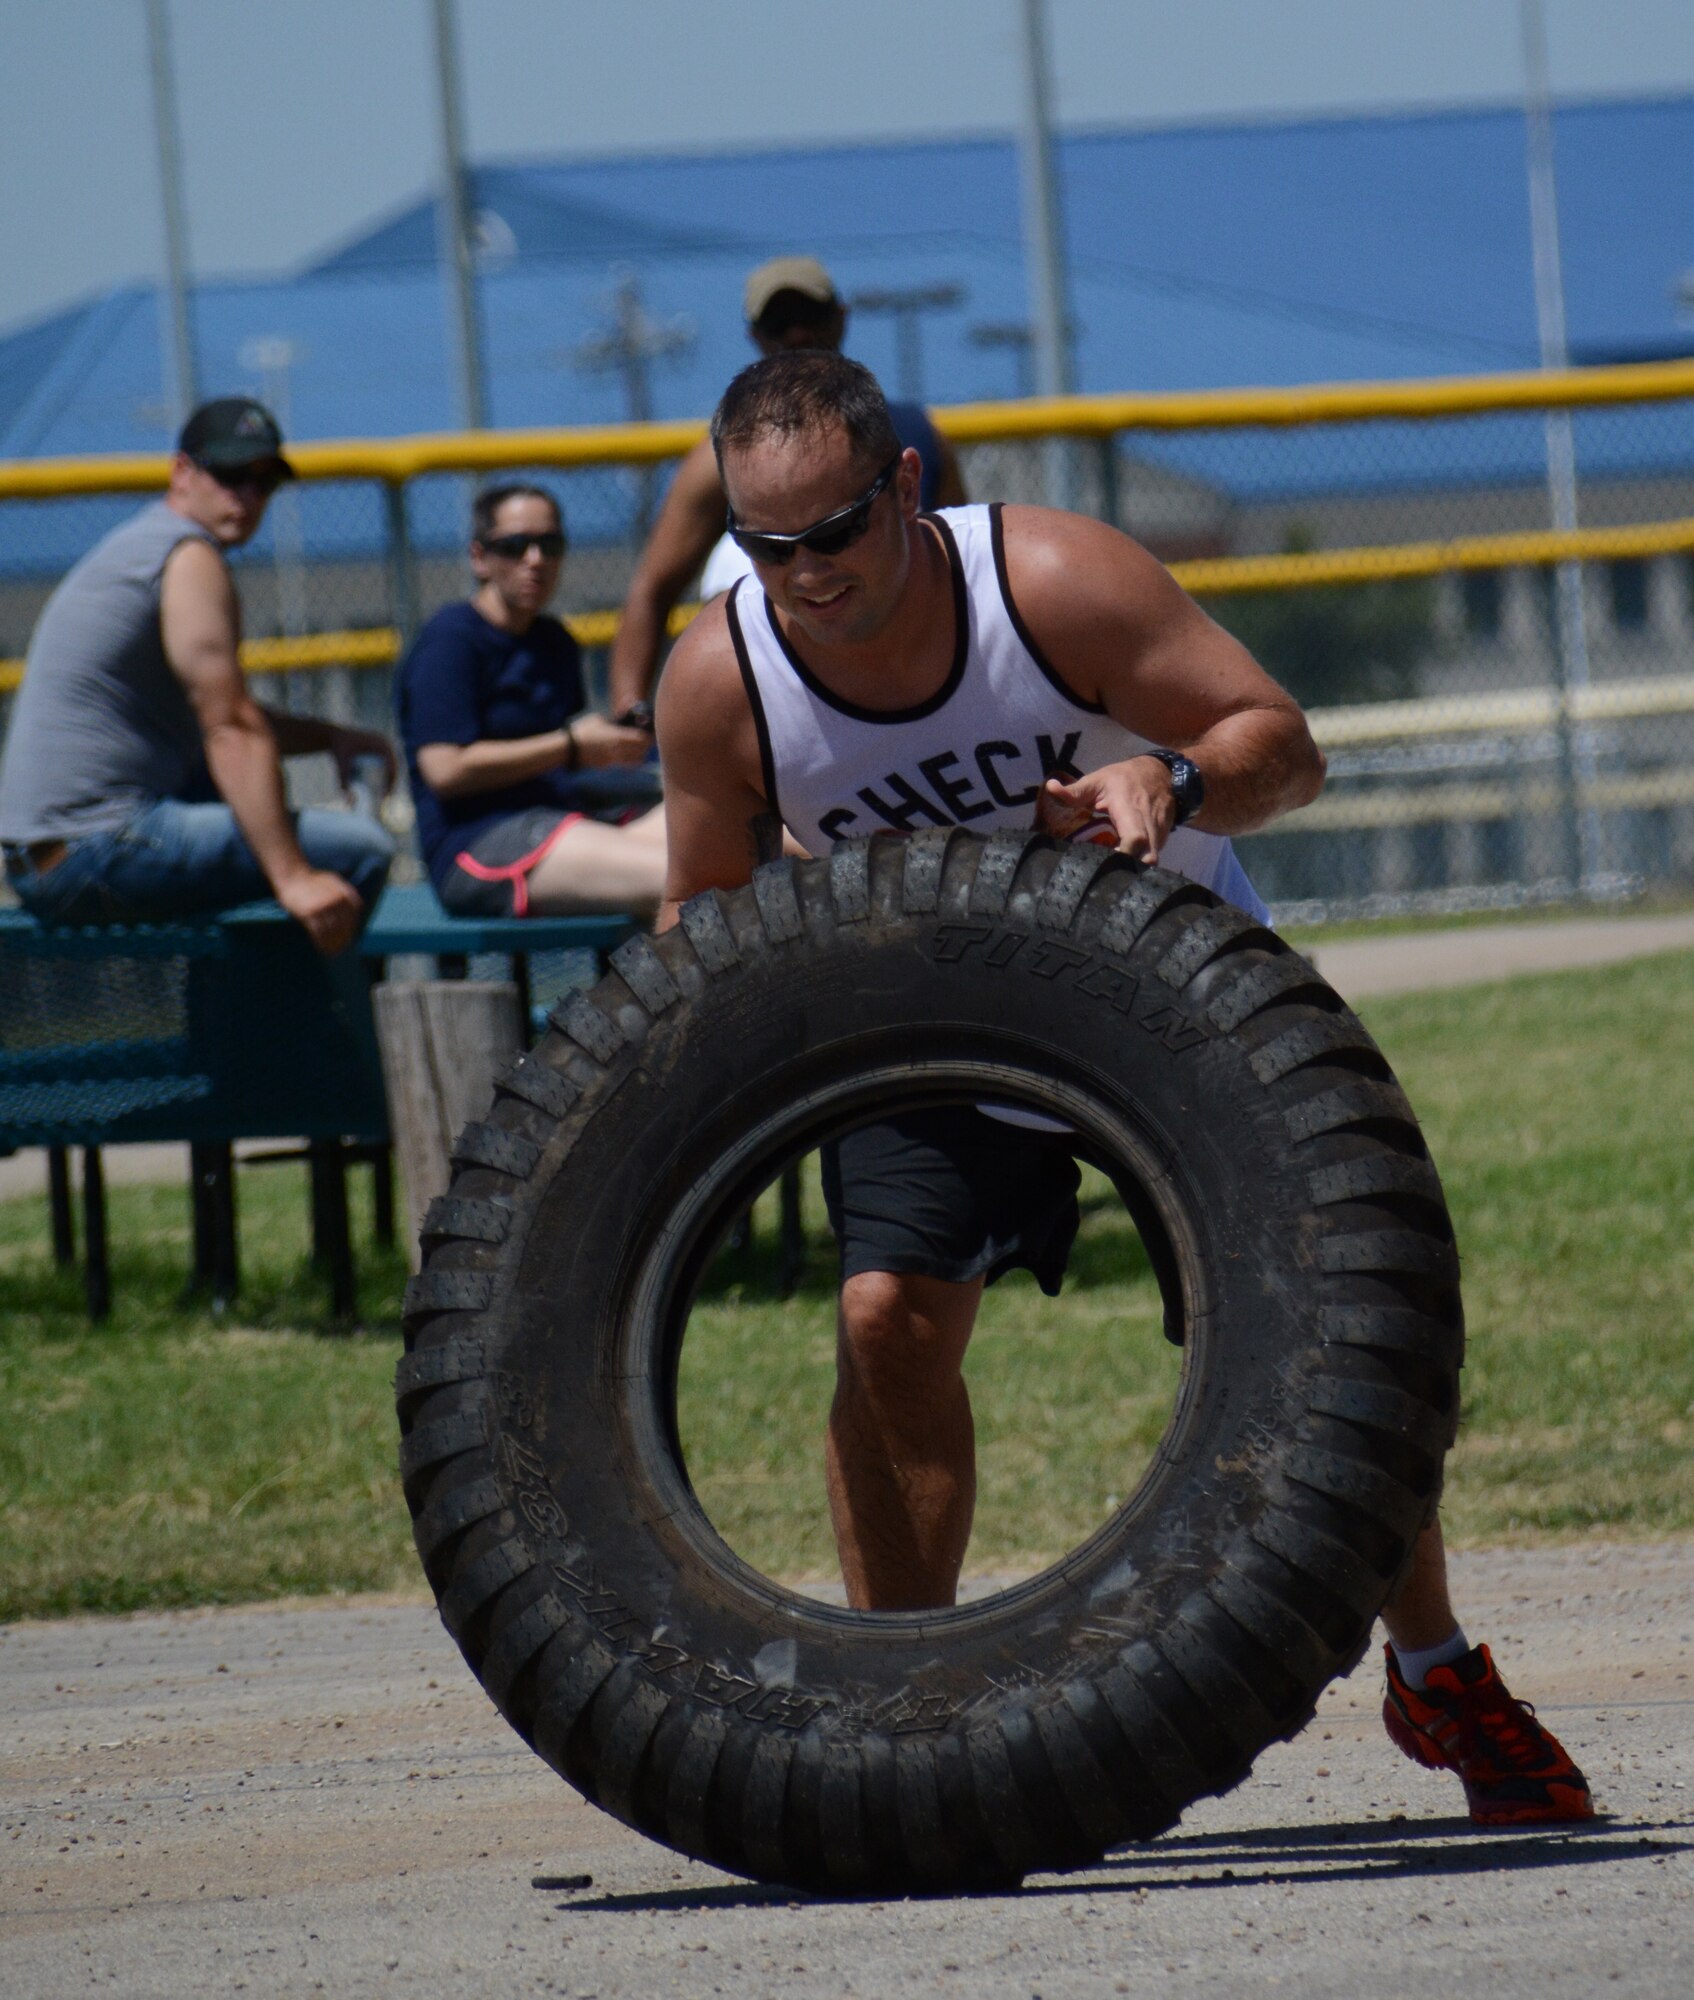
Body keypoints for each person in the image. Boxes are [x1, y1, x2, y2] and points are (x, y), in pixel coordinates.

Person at [655, 349, 1593, 1829]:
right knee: (885, 1319)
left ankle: (1432, 1668)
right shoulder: (723, 680)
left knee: (1338, 1325)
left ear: (902, 484)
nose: (805, 576)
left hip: (1178, 993)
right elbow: (699, 917)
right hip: (935, 1030)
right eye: (766, 547)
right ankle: (912, 1719)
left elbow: (1283, 745)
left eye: (833, 533)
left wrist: (1173, 781)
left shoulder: (1051, 586)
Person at [0, 397, 393, 956]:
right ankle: (296, 1042)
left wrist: (330, 738)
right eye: (232, 474)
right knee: (358, 850)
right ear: (182, 471)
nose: (249, 496)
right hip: (95, 850)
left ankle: (243, 1035)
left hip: (54, 856)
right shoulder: (186, 556)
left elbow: (221, 718)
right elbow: (230, 727)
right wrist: (293, 877)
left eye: (265, 482)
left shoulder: (144, 545)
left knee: (247, 796)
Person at [606, 255, 967, 717]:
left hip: (919, 682)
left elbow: (955, 565)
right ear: (754, 335)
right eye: (771, 544)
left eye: (841, 527)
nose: (797, 334)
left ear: (840, 318)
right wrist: (629, 714)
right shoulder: (728, 458)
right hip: (792, 703)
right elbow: (651, 589)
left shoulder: (917, 434)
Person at [397, 482, 665, 919]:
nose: (535, 560)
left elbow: (570, 762)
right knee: (679, 877)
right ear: (479, 558)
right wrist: (570, 745)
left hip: (562, 816)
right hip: (478, 844)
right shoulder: (451, 640)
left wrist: (619, 744)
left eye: (550, 544)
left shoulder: (554, 641)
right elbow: (444, 770)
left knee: (738, 842)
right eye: (515, 546)